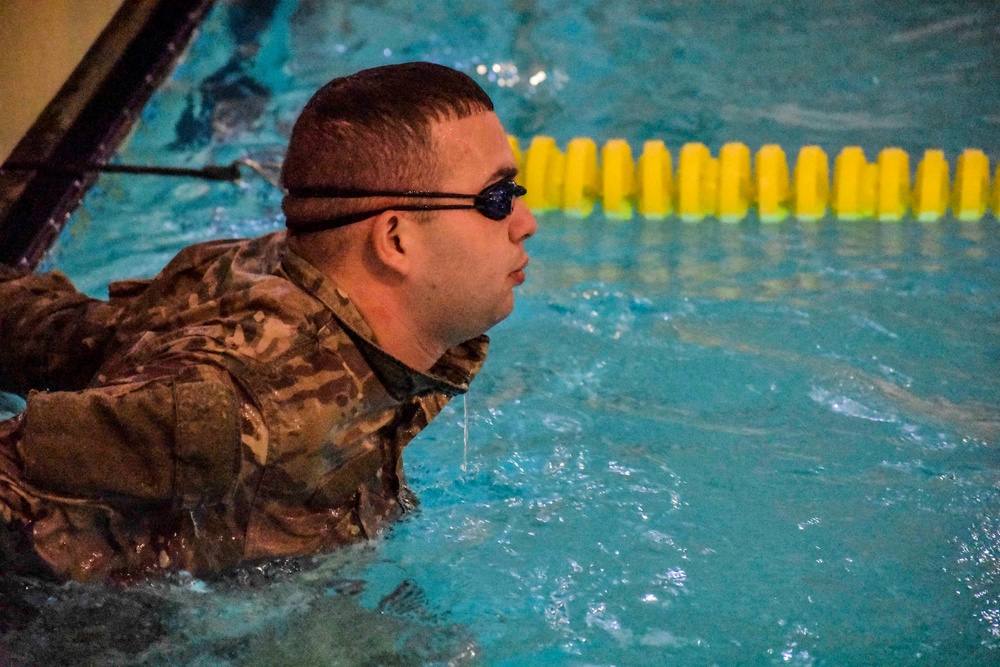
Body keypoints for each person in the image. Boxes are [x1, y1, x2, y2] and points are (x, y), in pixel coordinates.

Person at [0, 62, 536, 583]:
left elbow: (74, 332)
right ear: (395, 240)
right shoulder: (248, 413)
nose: (526, 224)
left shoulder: (292, 273)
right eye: (496, 199)